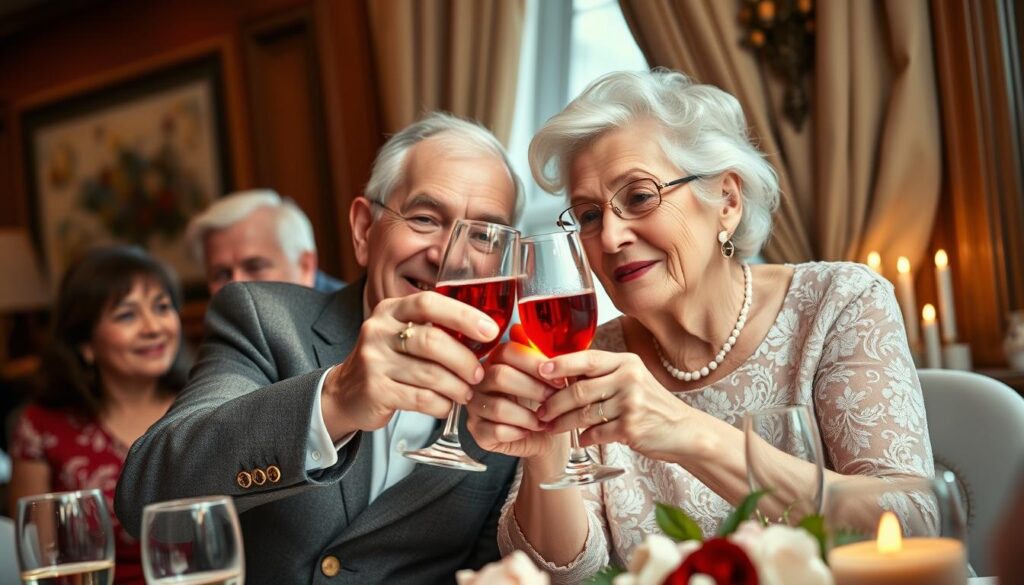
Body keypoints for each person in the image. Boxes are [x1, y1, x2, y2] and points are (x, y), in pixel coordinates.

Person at [466, 70, 936, 582]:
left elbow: (914, 524)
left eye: (640, 197)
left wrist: (684, 430)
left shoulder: (837, 304)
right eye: (589, 215)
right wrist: (547, 455)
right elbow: (564, 576)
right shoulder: (589, 358)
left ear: (727, 202)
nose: (612, 236)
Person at [115, 112, 525, 584]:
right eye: (425, 218)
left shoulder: (507, 386)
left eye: (483, 234)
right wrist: (334, 399)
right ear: (363, 230)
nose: (452, 257)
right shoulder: (264, 320)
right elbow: (145, 495)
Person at [9, 246, 188, 585]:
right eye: (127, 315)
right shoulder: (40, 428)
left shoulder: (207, 407)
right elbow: (41, 566)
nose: (153, 327)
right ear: (85, 344)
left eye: (162, 307)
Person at [185, 189, 343, 296]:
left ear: (305, 266)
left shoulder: (353, 324)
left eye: (255, 267)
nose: (236, 287)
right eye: (221, 274)